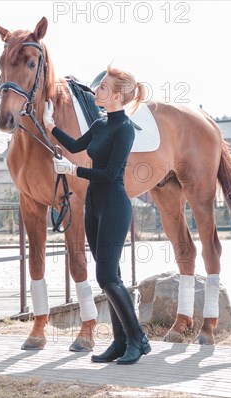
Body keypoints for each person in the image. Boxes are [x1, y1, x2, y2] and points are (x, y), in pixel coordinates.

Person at [43, 66, 151, 365]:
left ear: (116, 96)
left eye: (102, 88)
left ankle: (138, 339)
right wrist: (50, 125)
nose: (95, 91)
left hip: (115, 206)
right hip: (94, 207)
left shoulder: (124, 129)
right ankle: (119, 343)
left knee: (105, 276)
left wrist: (73, 170)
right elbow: (76, 146)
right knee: (109, 276)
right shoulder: (100, 124)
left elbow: (109, 173)